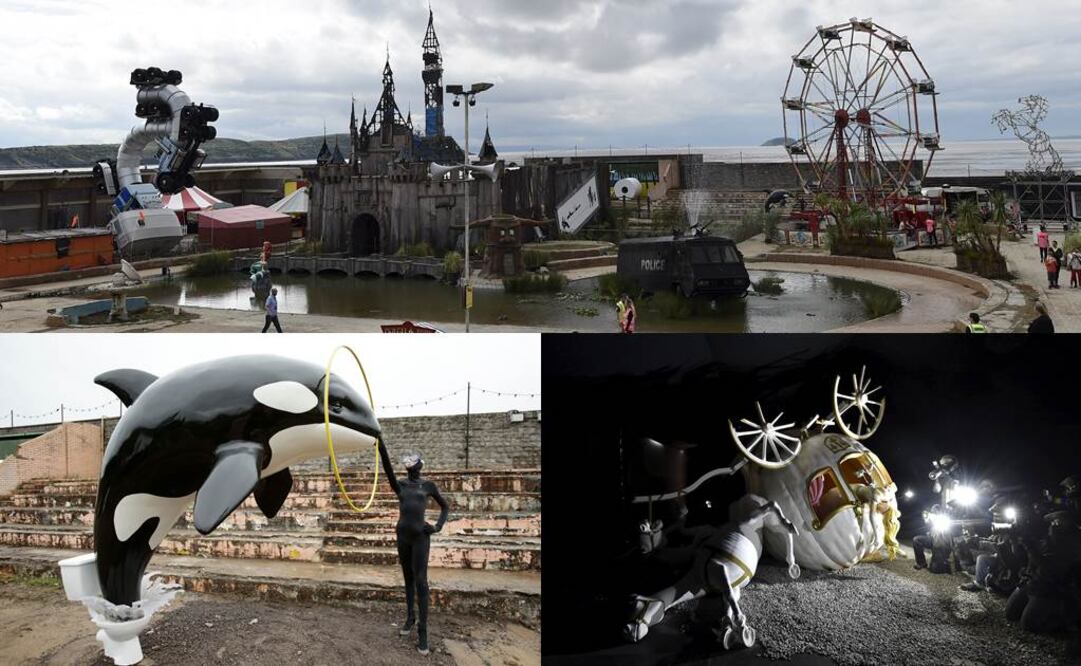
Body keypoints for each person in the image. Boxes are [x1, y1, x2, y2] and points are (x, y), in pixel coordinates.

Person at [378, 448, 449, 656]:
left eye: (414, 464)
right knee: (408, 579)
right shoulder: (400, 485)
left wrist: (437, 527)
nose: (411, 468)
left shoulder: (428, 486)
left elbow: (445, 507)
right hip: (403, 536)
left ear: (419, 467)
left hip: (420, 538)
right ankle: (410, 618)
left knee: (421, 582)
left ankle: (423, 632)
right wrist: (381, 449)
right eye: (408, 465)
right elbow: (389, 472)